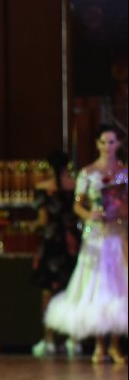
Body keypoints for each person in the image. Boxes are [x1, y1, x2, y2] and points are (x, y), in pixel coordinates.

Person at [44, 125, 128, 364]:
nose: (107, 146)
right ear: (97, 144)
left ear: (118, 144)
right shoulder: (88, 173)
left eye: (111, 142)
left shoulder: (124, 173)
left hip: (118, 234)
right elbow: (77, 205)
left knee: (118, 286)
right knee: (96, 287)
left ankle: (115, 345)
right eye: (103, 142)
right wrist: (89, 214)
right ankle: (99, 345)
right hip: (95, 236)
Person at [30, 151, 80, 357]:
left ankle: (49, 339)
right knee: (73, 291)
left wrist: (33, 226)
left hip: (51, 244)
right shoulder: (76, 186)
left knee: (48, 292)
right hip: (71, 244)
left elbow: (42, 220)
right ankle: (73, 339)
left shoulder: (42, 188)